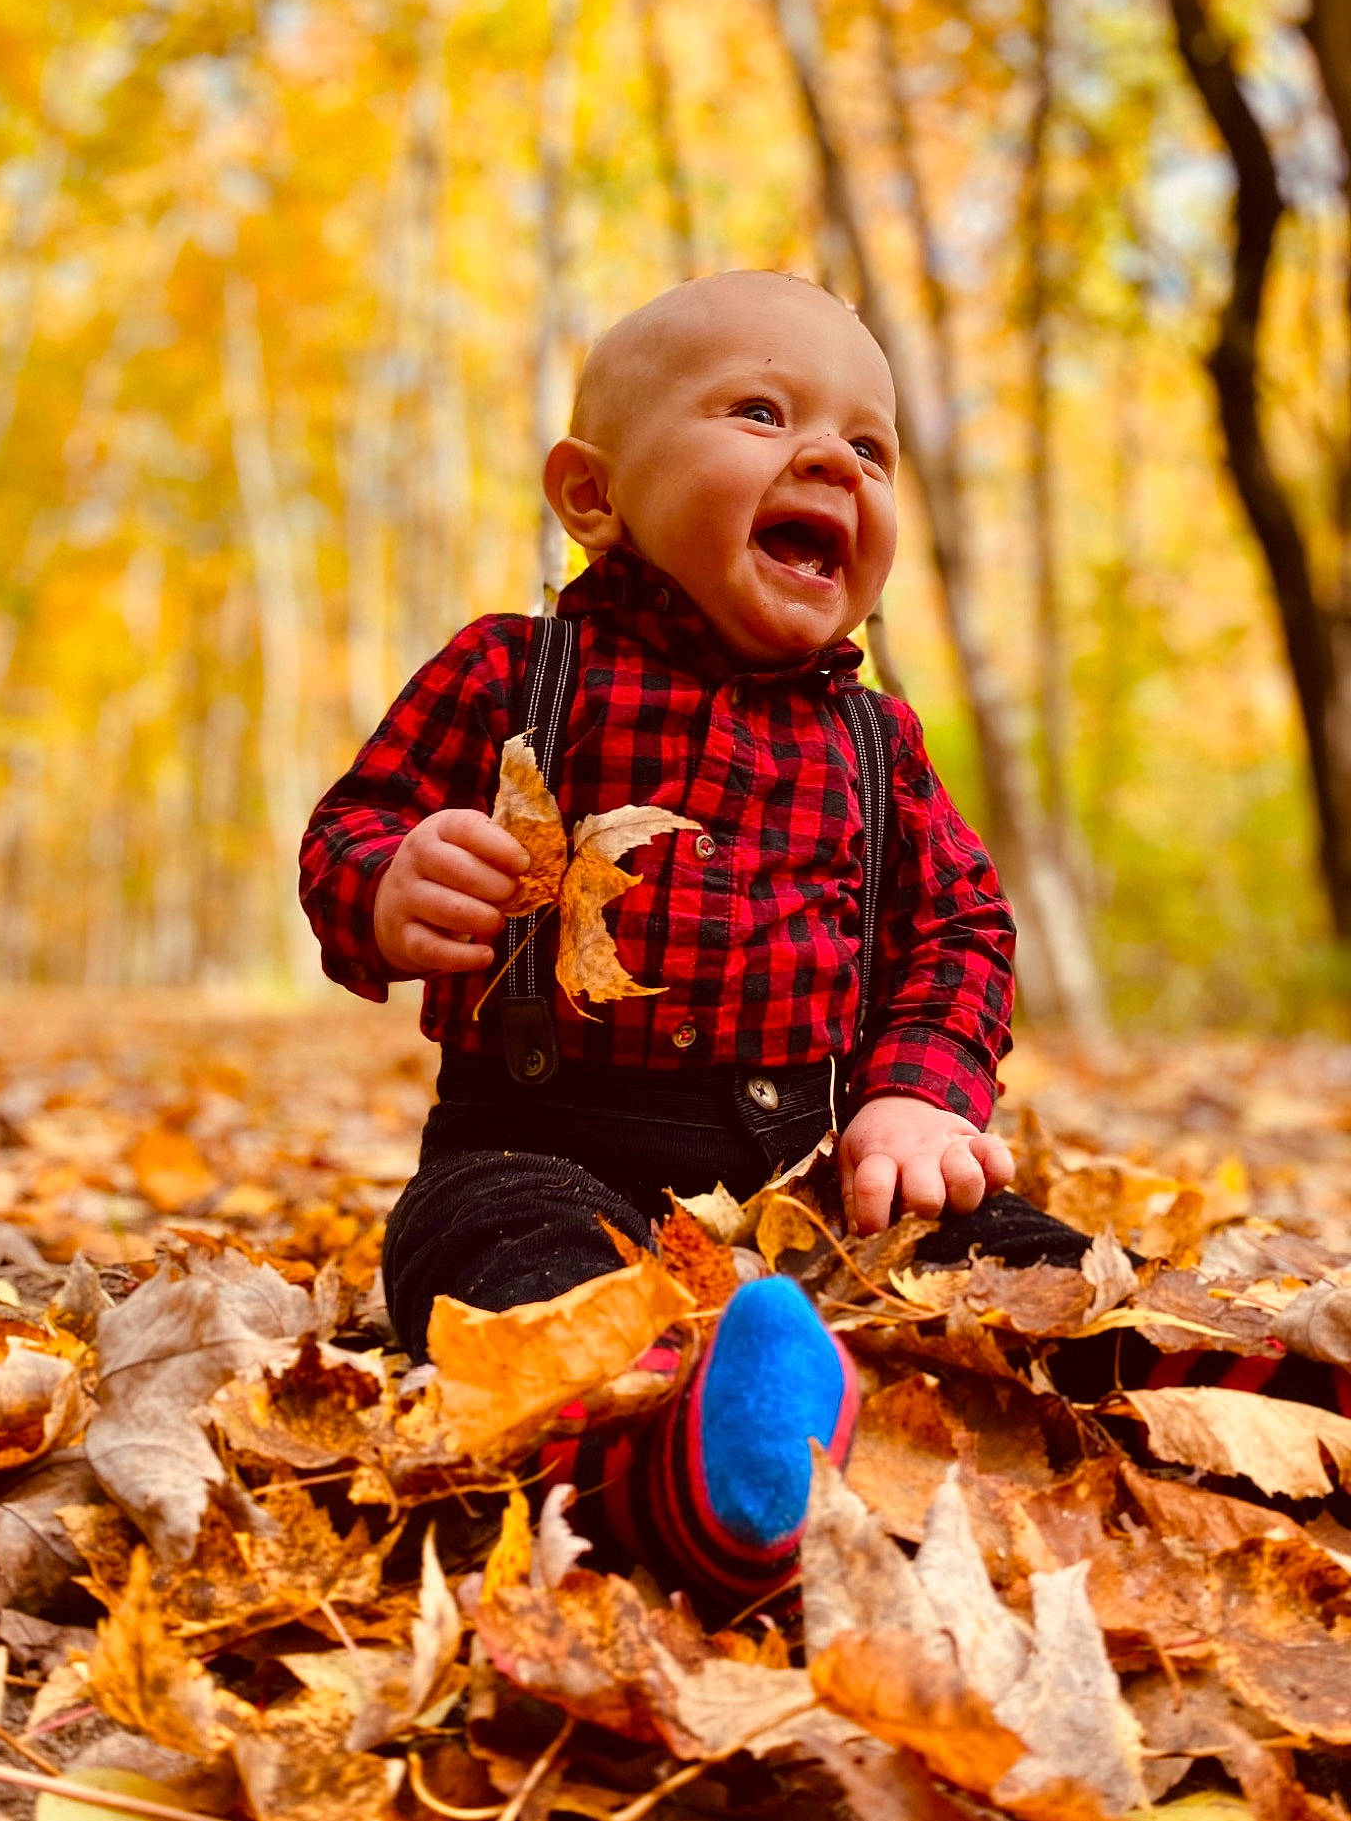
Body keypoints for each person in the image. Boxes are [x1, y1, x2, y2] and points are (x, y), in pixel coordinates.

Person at [300, 270, 1055, 1619]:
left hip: (819, 1173)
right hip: (540, 1145)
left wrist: (917, 1093)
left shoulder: (877, 743)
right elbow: (353, 827)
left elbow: (961, 926)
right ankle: (686, 1464)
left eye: (870, 447)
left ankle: (1186, 1388)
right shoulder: (513, 672)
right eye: (760, 413)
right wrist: (389, 883)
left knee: (1016, 1259)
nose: (832, 460)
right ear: (594, 496)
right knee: (482, 1258)